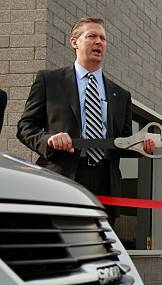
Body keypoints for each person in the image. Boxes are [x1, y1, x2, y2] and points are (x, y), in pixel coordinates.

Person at [16, 17, 154, 224]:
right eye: (92, 36)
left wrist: (141, 146)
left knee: (101, 251)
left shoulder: (121, 94)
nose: (99, 42)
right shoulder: (49, 80)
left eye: (103, 38)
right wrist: (49, 140)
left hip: (106, 183)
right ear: (74, 42)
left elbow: (122, 142)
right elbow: (25, 128)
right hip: (62, 178)